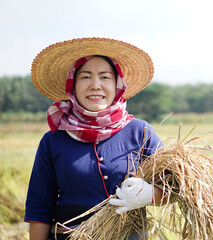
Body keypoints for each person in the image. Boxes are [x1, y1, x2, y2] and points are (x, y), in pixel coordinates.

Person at [24, 38, 165, 240]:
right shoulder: (53, 140)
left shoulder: (141, 132)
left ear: (117, 83)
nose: (95, 85)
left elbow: (177, 189)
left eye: (105, 77)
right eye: (85, 77)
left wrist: (148, 194)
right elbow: (39, 206)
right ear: (72, 85)